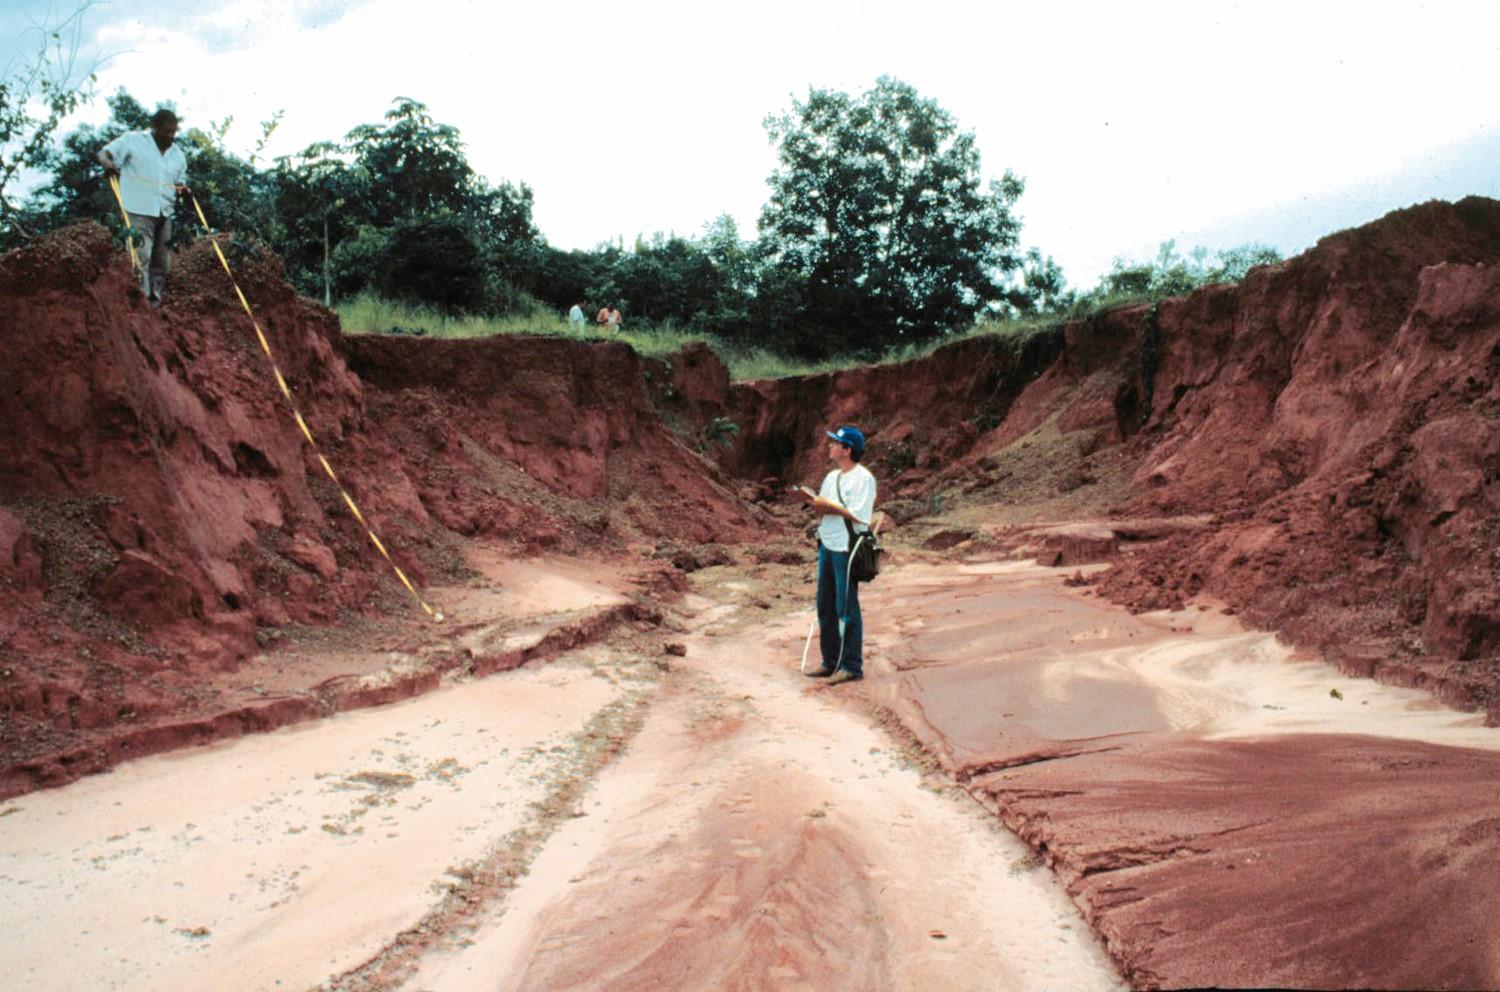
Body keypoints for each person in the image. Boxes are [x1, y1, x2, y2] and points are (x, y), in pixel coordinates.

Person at [794, 425, 876, 685]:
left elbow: (859, 515)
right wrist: (813, 502)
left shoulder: (864, 479)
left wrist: (828, 505)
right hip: (827, 544)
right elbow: (823, 509)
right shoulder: (832, 478)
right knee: (825, 605)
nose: (830, 446)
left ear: (847, 449)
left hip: (846, 547)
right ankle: (830, 661)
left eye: (835, 443)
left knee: (846, 606)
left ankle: (851, 665)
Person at [98, 108, 189, 306]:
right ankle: (139, 303)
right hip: (138, 209)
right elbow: (104, 153)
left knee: (162, 263)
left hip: (165, 212)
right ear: (154, 127)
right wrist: (107, 164)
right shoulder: (133, 140)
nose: (170, 136)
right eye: (166, 131)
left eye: (173, 132)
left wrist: (183, 190)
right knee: (140, 256)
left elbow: (179, 183)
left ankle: (154, 303)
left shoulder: (178, 155)